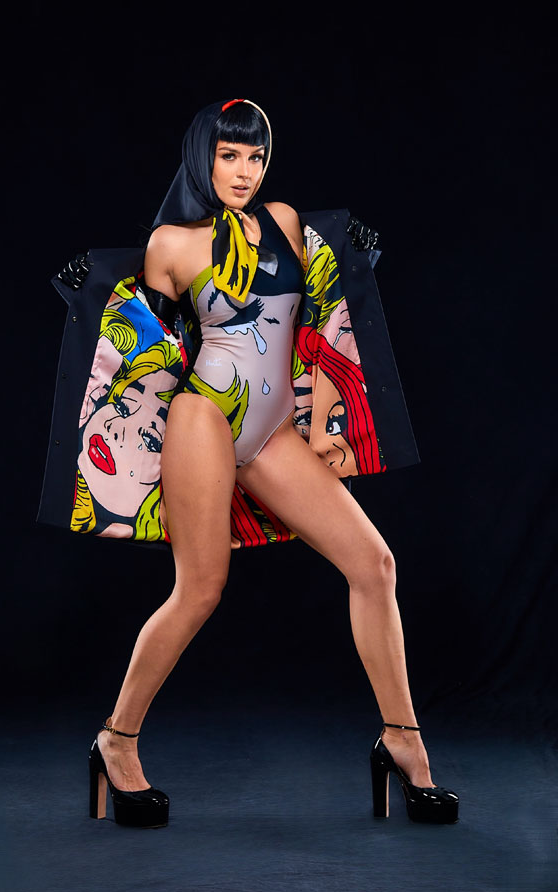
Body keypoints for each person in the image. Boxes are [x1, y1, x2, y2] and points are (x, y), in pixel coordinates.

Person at [50, 99, 459, 828]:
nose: (244, 171)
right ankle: (117, 741)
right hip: (202, 417)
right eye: (230, 155)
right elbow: (141, 348)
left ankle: (403, 741)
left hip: (271, 432)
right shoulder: (172, 243)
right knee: (200, 590)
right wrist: (87, 294)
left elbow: (322, 319)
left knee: (375, 566)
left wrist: (355, 260)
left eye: (256, 156)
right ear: (202, 158)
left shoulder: (285, 221)